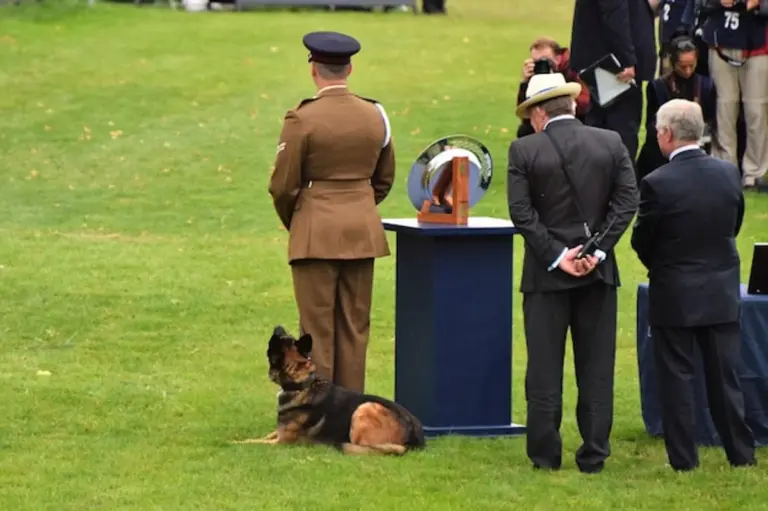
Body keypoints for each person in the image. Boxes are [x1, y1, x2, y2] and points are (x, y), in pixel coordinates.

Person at [507, 73, 639, 473]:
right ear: (572, 106)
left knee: (544, 370)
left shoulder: (524, 150)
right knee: (596, 368)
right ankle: (594, 454)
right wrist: (595, 251)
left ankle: (545, 457)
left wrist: (557, 255)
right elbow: (628, 200)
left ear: (539, 113)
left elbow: (522, 213)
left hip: (546, 278)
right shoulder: (611, 142)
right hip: (598, 275)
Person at [630, 99, 757, 471]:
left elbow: (643, 240)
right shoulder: (728, 173)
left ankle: (685, 460)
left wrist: (665, 266)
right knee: (725, 379)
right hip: (720, 289)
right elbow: (733, 224)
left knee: (677, 378)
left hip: (675, 293)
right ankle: (740, 453)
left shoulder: (656, 183)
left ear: (666, 135)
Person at [268, 31, 395, 394]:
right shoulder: (375, 115)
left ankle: (320, 409)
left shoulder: (302, 118)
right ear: (349, 68)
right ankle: (351, 407)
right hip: (362, 232)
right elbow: (383, 179)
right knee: (355, 326)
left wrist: (299, 219)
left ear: (314, 70)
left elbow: (282, 186)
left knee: (316, 329)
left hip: (315, 231)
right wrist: (359, 206)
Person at [569, 0, 657, 162]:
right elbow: (615, 14)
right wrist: (626, 59)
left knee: (600, 126)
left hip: (602, 60)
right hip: (613, 66)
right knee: (621, 131)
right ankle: (619, 184)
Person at [698, 0, 768, 189]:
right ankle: (725, 167)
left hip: (757, 45)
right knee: (724, 107)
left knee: (756, 109)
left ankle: (754, 172)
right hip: (721, 41)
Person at [636, 32, 717, 181]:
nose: (687, 71)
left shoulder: (706, 85)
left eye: (691, 66)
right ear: (673, 63)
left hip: (695, 142)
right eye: (682, 66)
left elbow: (710, 121)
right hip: (664, 145)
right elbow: (652, 125)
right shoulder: (658, 87)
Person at [516, 37, 591, 139]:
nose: (542, 65)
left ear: (558, 58)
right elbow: (525, 114)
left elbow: (585, 103)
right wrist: (525, 83)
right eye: (536, 62)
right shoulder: (536, 74)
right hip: (546, 119)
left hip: (574, 118)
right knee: (525, 130)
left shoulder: (573, 68)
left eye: (545, 60)